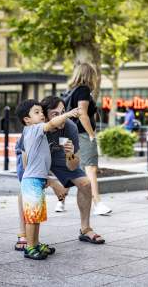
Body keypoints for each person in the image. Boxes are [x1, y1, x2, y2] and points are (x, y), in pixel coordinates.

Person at [15, 99, 79, 260]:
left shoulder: (37, 132)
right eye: (36, 112)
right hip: (32, 180)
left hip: (37, 179)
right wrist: (68, 114)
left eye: (41, 111)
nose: (41, 114)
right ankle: (30, 247)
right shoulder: (33, 129)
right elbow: (52, 124)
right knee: (32, 218)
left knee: (36, 217)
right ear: (27, 120)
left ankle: (35, 243)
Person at [41, 96, 105, 244]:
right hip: (35, 158)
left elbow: (73, 166)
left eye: (63, 112)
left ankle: (85, 229)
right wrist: (52, 183)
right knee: (29, 187)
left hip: (58, 156)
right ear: (45, 117)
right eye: (55, 114)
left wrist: (70, 154)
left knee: (86, 184)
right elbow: (29, 166)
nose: (62, 117)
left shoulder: (70, 127)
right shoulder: (38, 127)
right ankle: (25, 235)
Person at [68, 63, 111, 215]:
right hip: (83, 135)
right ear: (89, 75)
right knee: (91, 168)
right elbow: (83, 113)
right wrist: (92, 134)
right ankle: (97, 203)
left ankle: (61, 202)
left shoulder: (71, 91)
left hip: (71, 134)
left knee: (74, 169)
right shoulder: (84, 90)